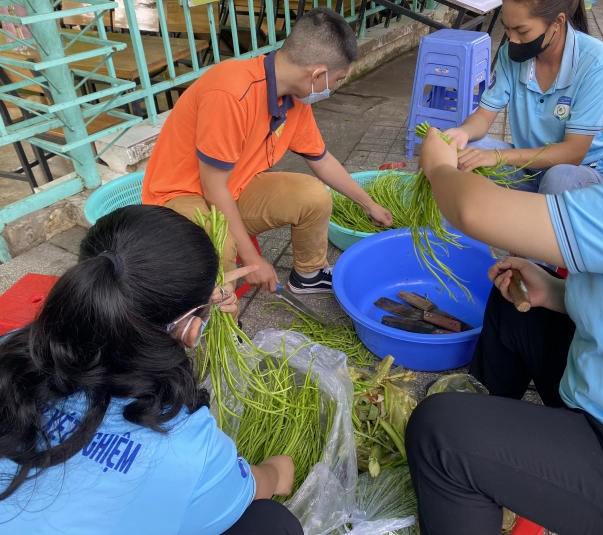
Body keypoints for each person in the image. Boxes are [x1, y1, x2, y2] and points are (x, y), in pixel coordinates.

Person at [406, 11, 603, 535]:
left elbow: (473, 212)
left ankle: (472, 463)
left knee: (440, 433)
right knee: (513, 295)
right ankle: (495, 433)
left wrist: (437, 164)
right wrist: (558, 292)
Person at [0, 205, 303, 534]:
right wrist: (277, 471)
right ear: (189, 331)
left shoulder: (15, 346)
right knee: (271, 522)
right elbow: (254, 487)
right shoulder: (184, 445)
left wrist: (194, 310)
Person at [142, 7, 392, 301]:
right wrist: (253, 260)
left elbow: (321, 159)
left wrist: (369, 204)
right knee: (220, 243)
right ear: (318, 74)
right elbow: (213, 188)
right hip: (179, 196)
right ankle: (221, 325)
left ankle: (309, 275)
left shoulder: (295, 99)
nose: (333, 88)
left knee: (313, 195)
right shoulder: (232, 93)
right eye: (336, 80)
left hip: (234, 187)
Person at [444, 0, 603, 194]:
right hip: (528, 167)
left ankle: (536, 218)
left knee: (558, 179)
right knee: (465, 151)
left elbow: (574, 152)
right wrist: (463, 132)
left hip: (578, 171)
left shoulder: (595, 61)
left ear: (557, 22)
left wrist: (499, 156)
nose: (513, 40)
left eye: (522, 31)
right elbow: (484, 116)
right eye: (507, 29)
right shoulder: (509, 56)